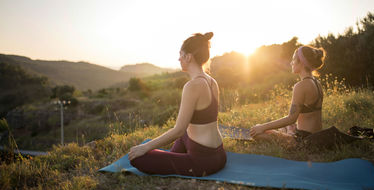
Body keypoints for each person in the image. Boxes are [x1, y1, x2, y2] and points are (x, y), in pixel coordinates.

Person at [128, 32, 226, 176]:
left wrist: (145, 147)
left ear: (189, 57)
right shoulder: (212, 82)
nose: (178, 58)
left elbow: (178, 130)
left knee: (138, 157)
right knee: (185, 135)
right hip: (219, 154)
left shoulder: (192, 86)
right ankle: (173, 158)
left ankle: (173, 159)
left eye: (181, 54)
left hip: (203, 162)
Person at [250, 45, 326, 145]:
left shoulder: (300, 86)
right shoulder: (317, 83)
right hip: (317, 136)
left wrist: (262, 127)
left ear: (302, 63)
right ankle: (286, 133)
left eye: (293, 60)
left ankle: (285, 135)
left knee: (257, 133)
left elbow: (291, 119)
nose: (291, 63)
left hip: (304, 141)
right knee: (286, 127)